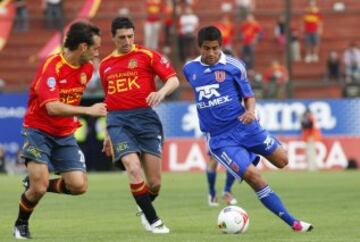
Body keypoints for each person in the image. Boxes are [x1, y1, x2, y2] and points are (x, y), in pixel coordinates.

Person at [183, 26, 313, 232]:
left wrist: (251, 111)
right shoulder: (190, 69)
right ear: (199, 47)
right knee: (255, 177)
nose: (210, 53)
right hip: (220, 139)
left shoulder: (235, 66)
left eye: (215, 48)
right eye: (206, 48)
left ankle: (246, 158)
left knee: (283, 160)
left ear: (221, 46)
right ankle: (294, 223)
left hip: (245, 126)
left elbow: (249, 95)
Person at [12, 21, 107, 240]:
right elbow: (52, 107)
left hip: (64, 133)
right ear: (83, 47)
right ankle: (21, 224)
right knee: (39, 188)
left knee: (78, 186)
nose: (97, 53)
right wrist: (88, 110)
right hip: (38, 130)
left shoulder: (88, 67)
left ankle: (35, 183)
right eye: (95, 48)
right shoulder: (52, 66)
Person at [99, 17, 179, 234]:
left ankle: (144, 207)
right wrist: (108, 133)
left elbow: (173, 79)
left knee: (154, 184)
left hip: (146, 119)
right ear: (113, 37)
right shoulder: (105, 64)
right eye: (121, 37)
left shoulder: (147, 55)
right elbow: (109, 100)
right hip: (119, 122)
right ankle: (154, 221)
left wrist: (161, 92)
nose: (126, 41)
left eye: (130, 36)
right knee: (133, 168)